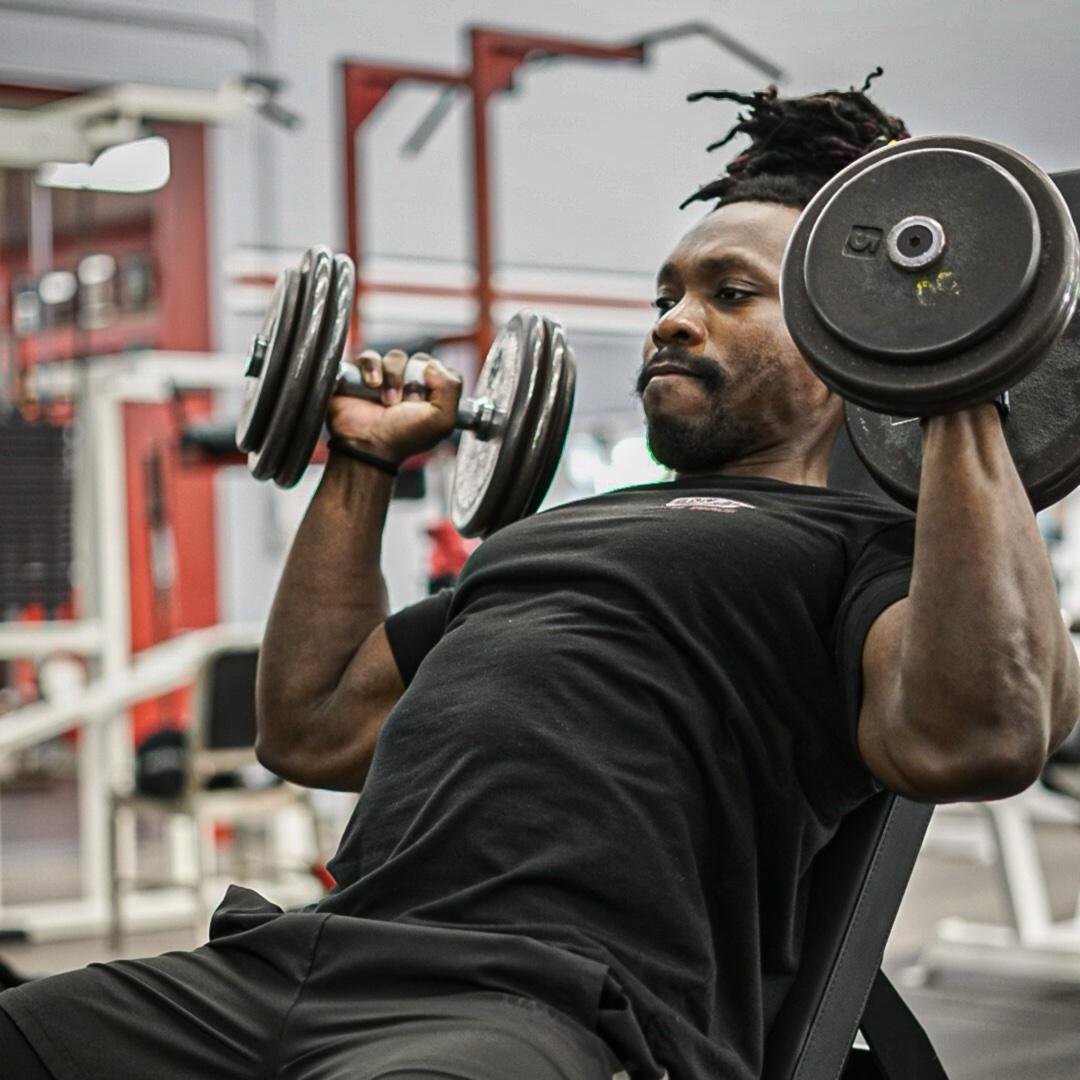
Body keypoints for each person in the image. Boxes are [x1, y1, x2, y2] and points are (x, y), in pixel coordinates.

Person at [2, 78, 1077, 1080]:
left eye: (730, 292)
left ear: (846, 334)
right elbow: (311, 725)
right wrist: (363, 463)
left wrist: (946, 366)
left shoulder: (867, 550)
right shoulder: (543, 537)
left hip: (543, 999)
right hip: (299, 961)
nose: (672, 319)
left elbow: (978, 734)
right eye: (667, 293)